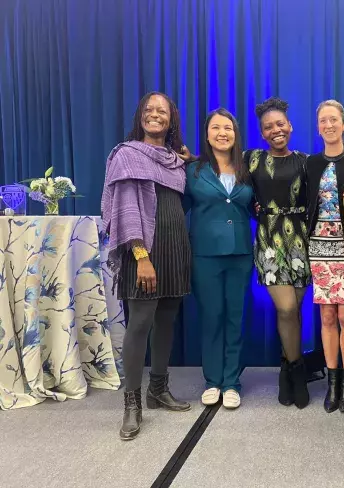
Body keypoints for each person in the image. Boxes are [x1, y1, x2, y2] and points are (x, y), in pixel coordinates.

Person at [101, 92, 191, 441]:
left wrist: (189, 156)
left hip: (174, 246)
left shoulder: (175, 159)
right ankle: (131, 403)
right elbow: (125, 208)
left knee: (167, 319)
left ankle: (158, 389)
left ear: (171, 120)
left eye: (162, 112)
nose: (155, 116)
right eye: (150, 110)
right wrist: (141, 256)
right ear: (141, 115)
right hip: (144, 250)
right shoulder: (127, 155)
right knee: (140, 323)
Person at [184, 108, 254, 409]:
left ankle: (232, 381)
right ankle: (213, 380)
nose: (222, 133)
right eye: (216, 127)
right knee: (211, 317)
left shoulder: (247, 168)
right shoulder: (192, 170)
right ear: (207, 133)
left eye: (228, 128)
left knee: (235, 317)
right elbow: (178, 209)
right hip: (205, 255)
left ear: (236, 134)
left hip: (240, 254)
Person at [244, 97, 311, 409]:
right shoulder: (251, 159)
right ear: (262, 133)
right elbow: (220, 172)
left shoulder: (305, 161)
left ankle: (287, 366)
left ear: (290, 126)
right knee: (285, 309)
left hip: (300, 240)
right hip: (270, 240)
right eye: (268, 127)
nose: (275, 130)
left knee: (296, 311)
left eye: (280, 124)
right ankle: (296, 372)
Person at [306, 100, 344, 413]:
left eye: (334, 119)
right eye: (323, 120)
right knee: (326, 316)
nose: (328, 125)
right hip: (319, 246)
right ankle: (332, 383)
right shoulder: (310, 163)